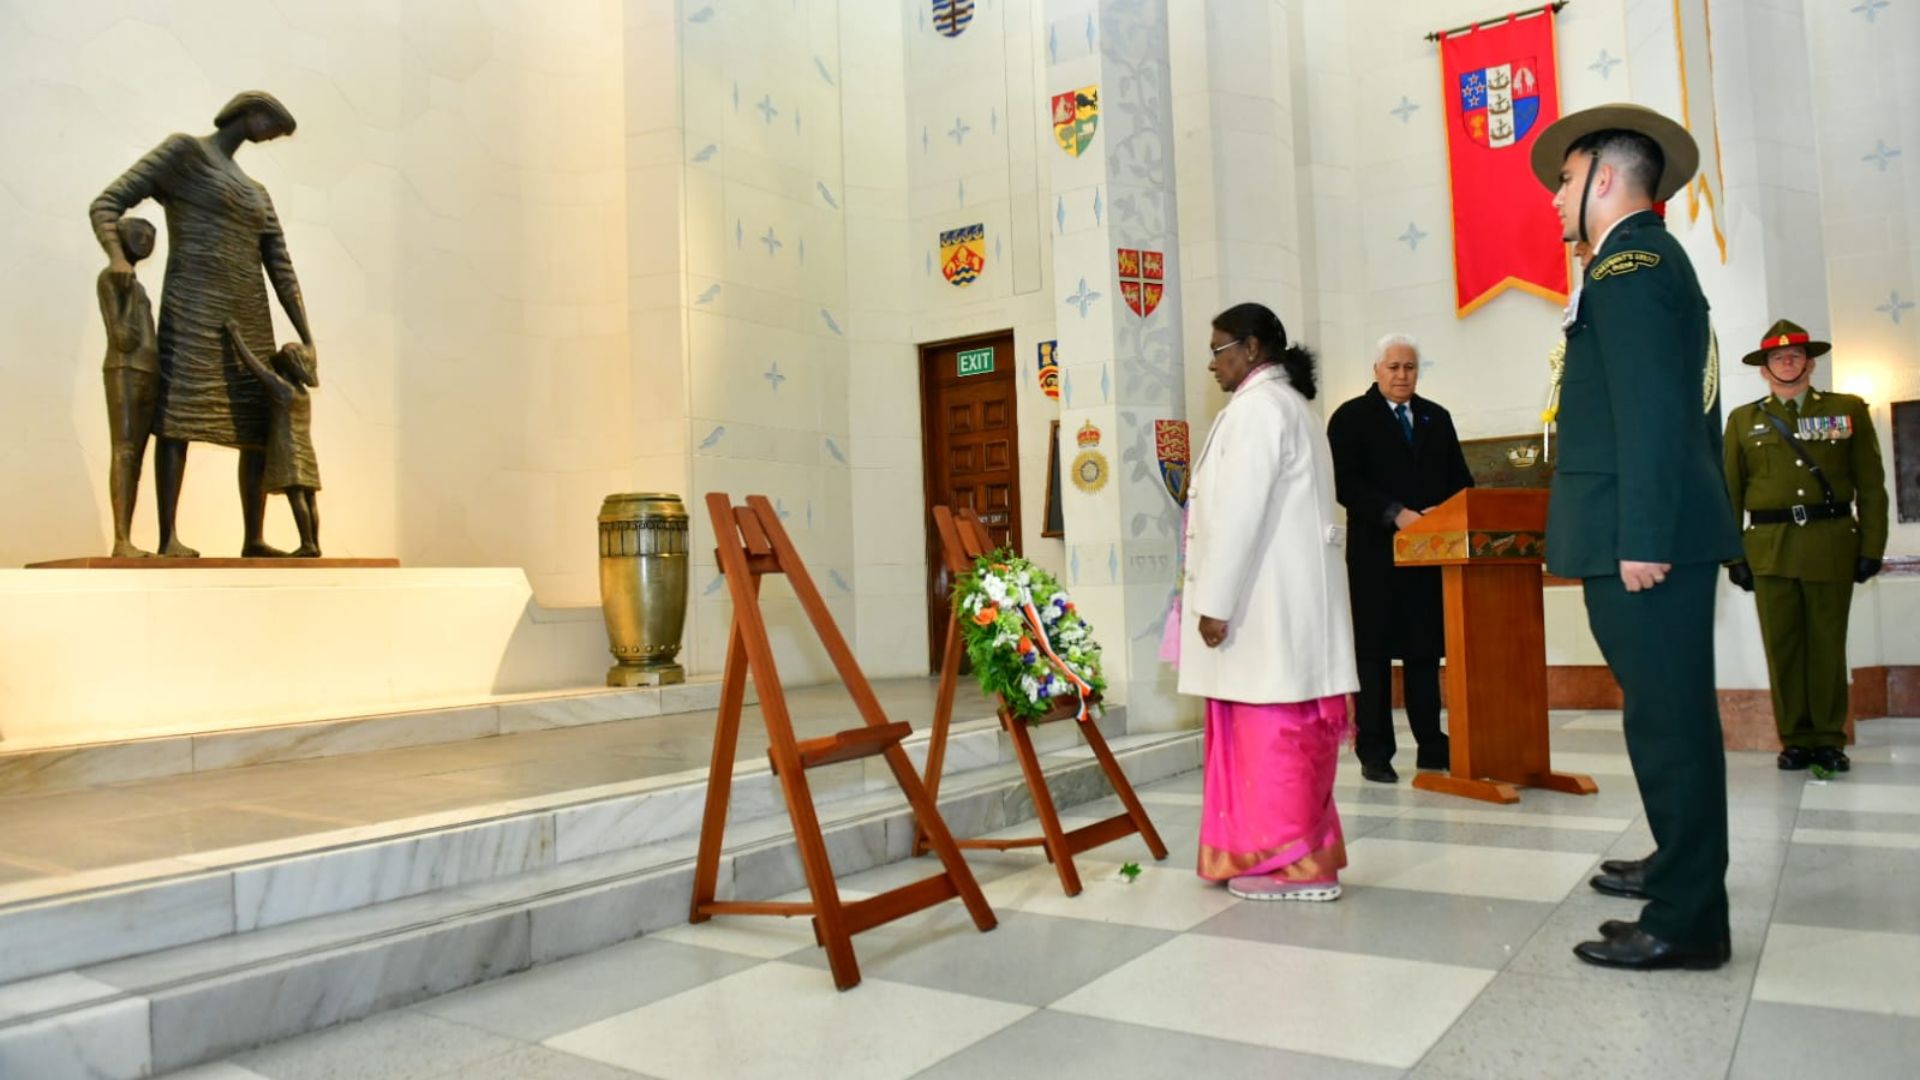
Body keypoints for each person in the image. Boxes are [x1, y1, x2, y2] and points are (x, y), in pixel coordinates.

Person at [1529, 104, 1742, 970]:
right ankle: (1678, 870)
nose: (1555, 200)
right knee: (1665, 719)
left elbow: (1656, 415)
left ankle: (1689, 919)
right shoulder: (1633, 264)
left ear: (1605, 180)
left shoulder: (1635, 266)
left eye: (1566, 181)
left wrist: (1644, 534)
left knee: (1671, 728)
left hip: (1643, 538)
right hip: (1637, 528)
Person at [1177, 302, 1359, 902]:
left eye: (1218, 349)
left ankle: (1293, 866)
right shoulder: (1288, 406)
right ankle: (1270, 855)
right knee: (1276, 730)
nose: (1212, 364)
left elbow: (1239, 516)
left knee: (1274, 734)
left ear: (1252, 349)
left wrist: (1215, 602)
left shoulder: (1260, 411)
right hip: (1280, 604)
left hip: (1264, 607)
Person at [90, 90, 316, 557]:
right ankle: (169, 536)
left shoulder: (258, 193)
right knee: (178, 418)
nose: (271, 136)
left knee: (256, 428)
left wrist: (308, 337)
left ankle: (253, 537)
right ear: (248, 113)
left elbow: (280, 265)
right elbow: (107, 204)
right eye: (270, 126)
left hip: (249, 311)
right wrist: (119, 259)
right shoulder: (184, 153)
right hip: (192, 303)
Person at [1724, 319, 1888, 773]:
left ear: (1810, 363)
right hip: (1770, 550)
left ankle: (1829, 739)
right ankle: (1795, 739)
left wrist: (1871, 545)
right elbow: (1730, 493)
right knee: (1783, 648)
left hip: (1830, 545)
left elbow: (1871, 485)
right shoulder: (1744, 420)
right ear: (1765, 369)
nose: (1787, 362)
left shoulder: (1847, 409)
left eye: (1795, 355)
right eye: (1778, 357)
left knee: (1827, 646)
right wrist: (1733, 555)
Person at [1327, 334, 1474, 783]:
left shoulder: (1436, 417)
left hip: (1429, 556)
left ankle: (1431, 744)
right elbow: (1344, 483)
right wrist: (1399, 514)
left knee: (1424, 652)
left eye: (1409, 367)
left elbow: (1461, 480)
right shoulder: (1351, 418)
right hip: (1375, 557)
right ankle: (1375, 752)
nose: (1402, 375)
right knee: (1372, 655)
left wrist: (1439, 514)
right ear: (1376, 369)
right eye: (1393, 367)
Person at [224, 323, 322, 556]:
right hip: (306, 450)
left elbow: (254, 367)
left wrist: (235, 336)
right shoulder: (302, 393)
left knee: (296, 494)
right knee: (309, 496)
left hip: (289, 450)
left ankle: (307, 543)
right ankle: (314, 543)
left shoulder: (283, 389)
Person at [98, 216, 161, 558]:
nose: (146, 239)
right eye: (139, 233)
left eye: (151, 235)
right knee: (124, 451)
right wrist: (119, 267)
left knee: (134, 457)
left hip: (148, 372)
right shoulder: (114, 278)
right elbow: (121, 335)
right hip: (125, 370)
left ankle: (128, 538)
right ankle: (122, 540)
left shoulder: (137, 288)